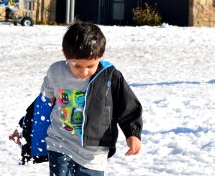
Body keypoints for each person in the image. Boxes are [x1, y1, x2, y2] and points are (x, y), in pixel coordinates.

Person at [10, 21, 143, 175]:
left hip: (93, 151)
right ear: (66, 56)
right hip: (60, 143)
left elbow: (127, 106)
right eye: (77, 66)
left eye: (90, 66)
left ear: (100, 57)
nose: (84, 72)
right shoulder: (56, 72)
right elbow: (42, 103)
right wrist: (24, 127)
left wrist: (133, 134)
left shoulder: (109, 76)